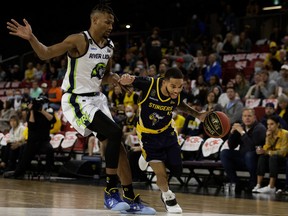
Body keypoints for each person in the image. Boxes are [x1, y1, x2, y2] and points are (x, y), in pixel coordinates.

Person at [6, 3, 155, 215]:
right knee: (114, 132)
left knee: (118, 145)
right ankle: (111, 192)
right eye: (107, 21)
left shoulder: (109, 46)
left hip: (97, 99)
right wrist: (31, 38)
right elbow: (45, 54)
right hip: (77, 100)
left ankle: (130, 197)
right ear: (94, 20)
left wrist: (115, 79)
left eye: (112, 22)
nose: (111, 25)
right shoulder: (79, 40)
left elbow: (103, 75)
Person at [119, 67, 208, 213]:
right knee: (162, 174)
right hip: (148, 135)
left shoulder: (176, 94)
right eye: (173, 86)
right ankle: (168, 196)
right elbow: (131, 79)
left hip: (168, 132)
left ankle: (144, 155)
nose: (177, 90)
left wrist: (197, 115)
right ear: (164, 82)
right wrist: (126, 78)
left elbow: (179, 104)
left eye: (180, 87)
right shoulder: (150, 85)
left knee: (177, 169)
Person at [3, 97, 56, 178]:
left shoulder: (48, 111)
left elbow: (53, 120)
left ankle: (48, 171)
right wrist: (31, 111)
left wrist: (41, 110)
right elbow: (31, 125)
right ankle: (18, 172)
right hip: (32, 141)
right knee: (25, 155)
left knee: (50, 150)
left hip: (43, 141)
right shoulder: (31, 113)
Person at [220, 108, 267, 192]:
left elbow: (252, 148)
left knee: (249, 154)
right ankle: (235, 182)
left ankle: (253, 182)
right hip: (243, 158)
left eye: (249, 116)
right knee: (224, 153)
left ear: (254, 117)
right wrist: (232, 132)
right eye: (245, 116)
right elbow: (231, 146)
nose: (247, 118)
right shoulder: (241, 127)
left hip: (256, 159)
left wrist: (242, 133)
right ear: (242, 118)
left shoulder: (260, 128)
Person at [252, 115, 288, 193]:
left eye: (272, 124)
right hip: (273, 157)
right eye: (268, 124)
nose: (269, 126)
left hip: (283, 158)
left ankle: (271, 186)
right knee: (262, 157)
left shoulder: (285, 134)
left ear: (277, 124)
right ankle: (258, 185)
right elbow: (266, 149)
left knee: (273, 157)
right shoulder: (269, 134)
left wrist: (268, 152)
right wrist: (267, 138)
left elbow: (283, 152)